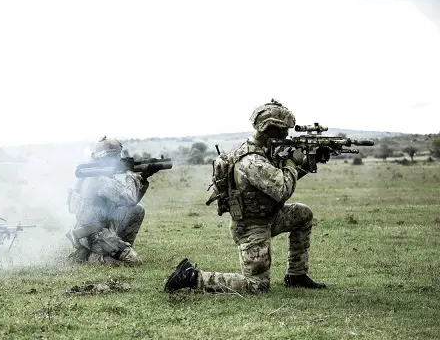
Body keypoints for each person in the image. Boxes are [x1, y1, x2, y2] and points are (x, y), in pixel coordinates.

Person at [165, 99, 327, 294]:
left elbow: (279, 180)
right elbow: (282, 189)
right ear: (268, 129)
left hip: (268, 217)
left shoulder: (263, 152)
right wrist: (293, 161)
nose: (286, 134)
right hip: (251, 227)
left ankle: (296, 275)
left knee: (303, 214)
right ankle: (192, 277)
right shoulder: (252, 160)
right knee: (257, 286)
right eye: (282, 130)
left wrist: (308, 162)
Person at [65, 136, 155, 266]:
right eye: (114, 157)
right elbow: (129, 198)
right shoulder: (99, 180)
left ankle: (118, 249)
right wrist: (130, 172)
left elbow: (131, 202)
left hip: (101, 228)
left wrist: (143, 177)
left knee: (137, 210)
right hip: (94, 234)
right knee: (133, 262)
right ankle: (89, 258)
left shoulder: (97, 176)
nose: (117, 160)